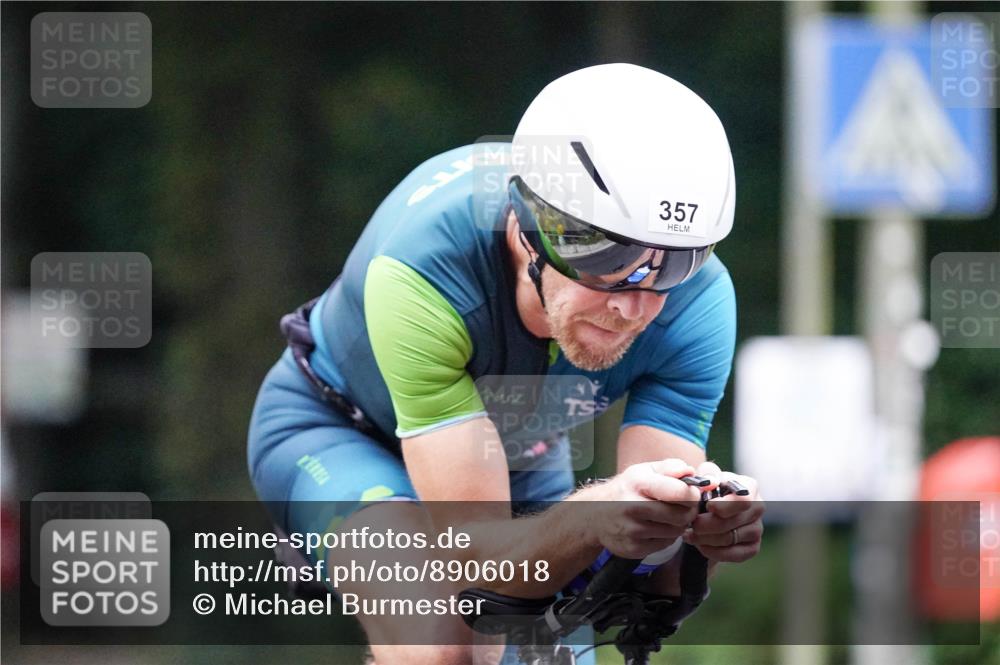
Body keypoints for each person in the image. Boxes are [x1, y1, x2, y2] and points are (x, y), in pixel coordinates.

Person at [247, 63, 764, 665]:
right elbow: (478, 563)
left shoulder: (700, 304)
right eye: (605, 257)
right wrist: (594, 516)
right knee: (444, 643)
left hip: (518, 451)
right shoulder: (425, 268)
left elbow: (642, 569)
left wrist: (698, 530)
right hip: (339, 430)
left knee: (548, 655)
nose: (632, 306)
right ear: (530, 228)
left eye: (674, 265)